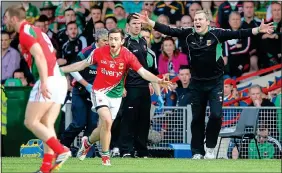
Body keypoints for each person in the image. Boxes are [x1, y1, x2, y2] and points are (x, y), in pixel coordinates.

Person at [134, 10, 274, 159]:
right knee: (197, 118)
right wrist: (150, 22)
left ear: (207, 22)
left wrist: (259, 29)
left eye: (201, 19)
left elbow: (239, 34)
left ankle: (211, 148)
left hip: (215, 82)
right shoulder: (188, 33)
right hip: (197, 83)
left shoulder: (217, 33)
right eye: (196, 19)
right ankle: (197, 152)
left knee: (215, 115)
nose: (197, 22)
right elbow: (169, 30)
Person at [60, 28, 171, 165]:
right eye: (110, 38)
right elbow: (82, 65)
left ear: (122, 41)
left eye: (115, 39)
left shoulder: (128, 55)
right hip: (99, 91)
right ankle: (105, 157)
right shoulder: (99, 52)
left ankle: (87, 142)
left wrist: (158, 81)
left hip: (116, 95)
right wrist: (61, 69)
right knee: (106, 121)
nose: (112, 41)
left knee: (104, 127)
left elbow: (143, 72)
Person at [4, 5, 71, 172]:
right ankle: (46, 167)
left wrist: (43, 81)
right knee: (46, 123)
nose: (4, 21)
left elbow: (40, 56)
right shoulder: (34, 30)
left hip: (48, 78)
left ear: (13, 19)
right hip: (59, 78)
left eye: (5, 17)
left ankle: (62, 150)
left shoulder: (25, 33)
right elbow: (50, 52)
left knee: (30, 121)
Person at [118, 14, 163, 158]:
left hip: (144, 88)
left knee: (144, 121)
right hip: (130, 87)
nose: (137, 26)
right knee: (128, 120)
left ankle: (142, 150)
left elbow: (150, 70)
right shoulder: (124, 43)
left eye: (139, 23)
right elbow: (119, 67)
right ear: (128, 26)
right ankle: (125, 150)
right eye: (134, 23)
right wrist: (121, 86)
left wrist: (158, 93)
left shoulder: (144, 42)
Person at [60, 29, 109, 154]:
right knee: (79, 123)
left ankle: (86, 153)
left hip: (96, 94)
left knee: (92, 124)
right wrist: (87, 85)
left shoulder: (109, 53)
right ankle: (61, 146)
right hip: (81, 91)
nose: (107, 43)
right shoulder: (86, 52)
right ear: (97, 40)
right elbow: (73, 70)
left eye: (109, 41)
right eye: (105, 41)